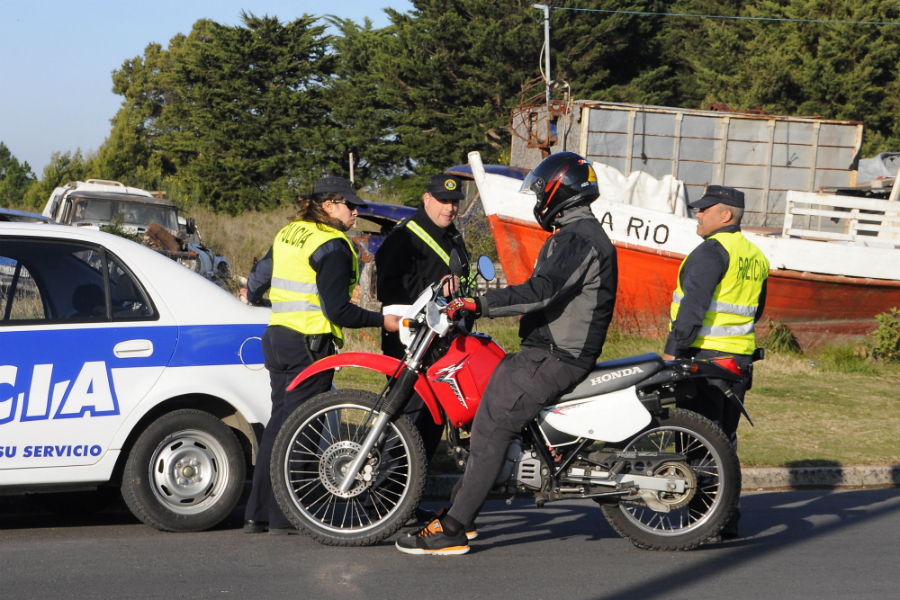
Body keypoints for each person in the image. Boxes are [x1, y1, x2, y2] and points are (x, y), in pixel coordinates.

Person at [395, 152, 618, 555]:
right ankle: (461, 511)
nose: (537, 200)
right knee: (491, 411)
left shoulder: (577, 237)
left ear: (557, 190)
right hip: (548, 350)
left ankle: (454, 528)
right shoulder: (577, 233)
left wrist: (478, 304)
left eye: (539, 191)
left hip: (556, 356)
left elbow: (541, 292)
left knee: (492, 425)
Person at [243, 176, 401, 535]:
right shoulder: (332, 244)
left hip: (277, 338)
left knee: (279, 427)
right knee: (300, 430)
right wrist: (383, 321)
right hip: (307, 346)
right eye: (350, 205)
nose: (356, 211)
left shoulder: (290, 233)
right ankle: (288, 517)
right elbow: (339, 312)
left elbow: (257, 283)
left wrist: (260, 297)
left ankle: (259, 513)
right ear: (329, 205)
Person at [660, 185, 769, 540]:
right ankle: (726, 521)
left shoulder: (711, 252)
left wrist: (672, 351)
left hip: (704, 361)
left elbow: (692, 308)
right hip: (738, 363)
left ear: (726, 215)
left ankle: (703, 522)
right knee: (724, 441)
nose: (698, 213)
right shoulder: (754, 256)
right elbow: (756, 311)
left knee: (698, 442)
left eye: (705, 209)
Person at [374, 173, 473, 465]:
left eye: (454, 202)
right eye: (444, 200)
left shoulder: (452, 234)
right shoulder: (405, 236)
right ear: (426, 199)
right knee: (410, 421)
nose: (450, 208)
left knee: (433, 419)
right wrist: (434, 287)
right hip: (409, 341)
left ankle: (412, 496)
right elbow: (389, 288)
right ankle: (385, 497)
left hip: (441, 340)